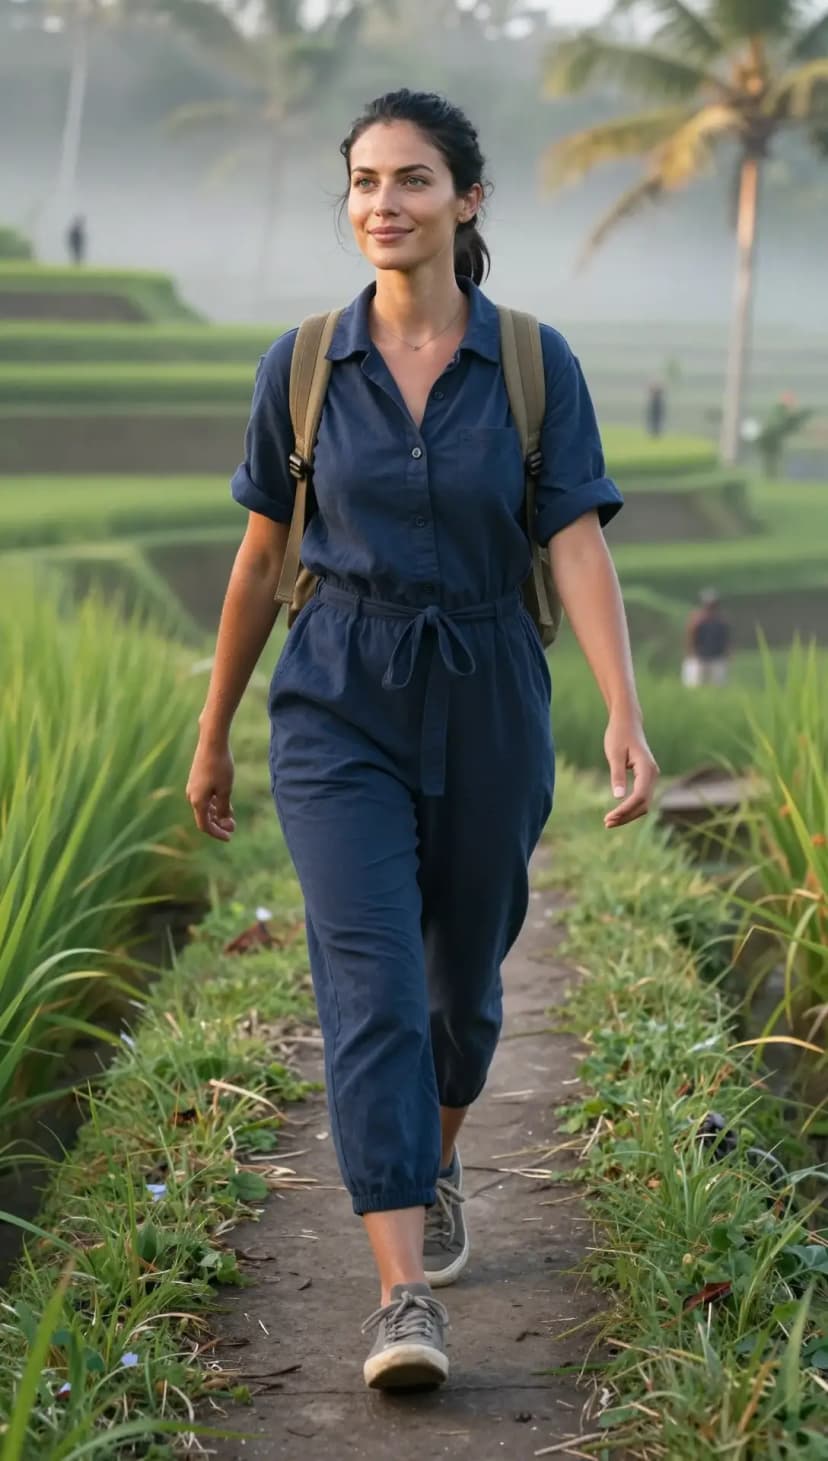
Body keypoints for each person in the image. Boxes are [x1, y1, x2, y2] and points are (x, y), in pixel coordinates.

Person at [186, 89, 659, 1393]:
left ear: (467, 200)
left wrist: (622, 709)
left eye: (410, 179)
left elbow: (573, 540)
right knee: (374, 991)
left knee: (461, 994)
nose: (381, 203)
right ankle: (403, 1294)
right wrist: (215, 727)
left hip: (490, 686)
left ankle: (433, 1151)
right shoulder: (298, 366)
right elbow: (259, 558)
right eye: (362, 182)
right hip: (336, 693)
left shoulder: (531, 364)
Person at [682, 588, 732, 687]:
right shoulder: (697, 620)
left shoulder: (721, 621)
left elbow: (726, 638)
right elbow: (690, 637)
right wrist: (691, 653)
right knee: (695, 684)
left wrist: (728, 652)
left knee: (718, 685)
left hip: (717, 656)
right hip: (699, 656)